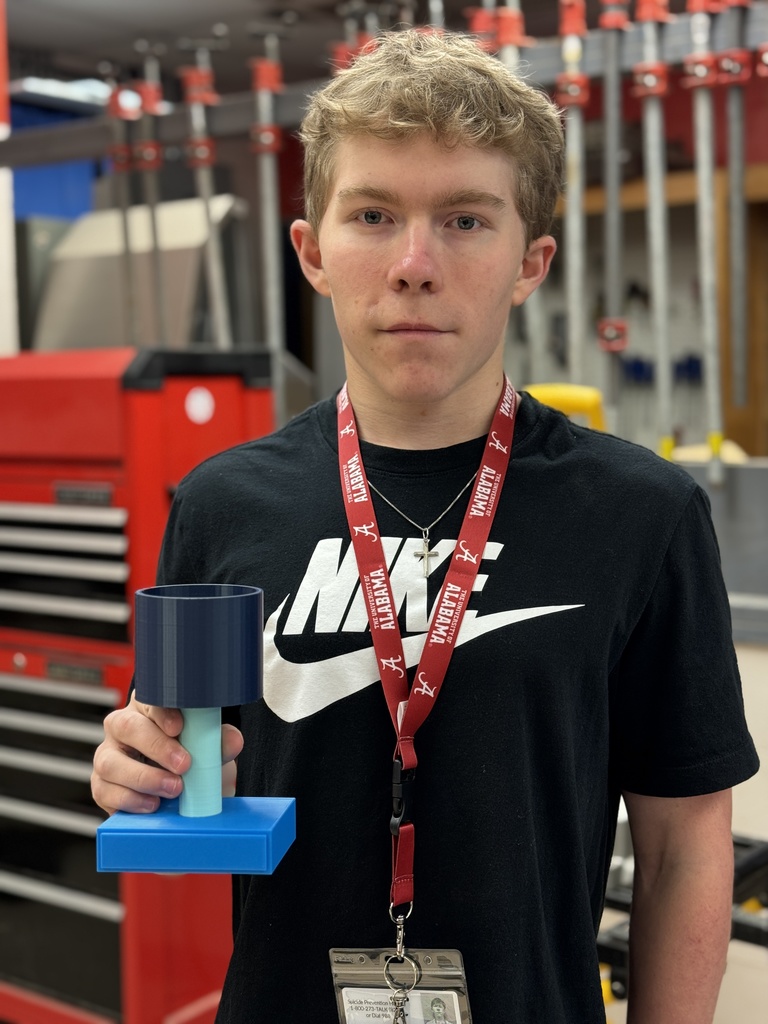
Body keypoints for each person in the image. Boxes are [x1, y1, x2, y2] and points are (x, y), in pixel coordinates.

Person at [91, 29, 759, 1023]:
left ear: (531, 260)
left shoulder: (643, 515)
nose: (414, 264)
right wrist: (133, 765)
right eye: (373, 214)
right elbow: (169, 756)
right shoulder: (222, 502)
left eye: (464, 219)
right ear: (313, 252)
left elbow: (684, 846)